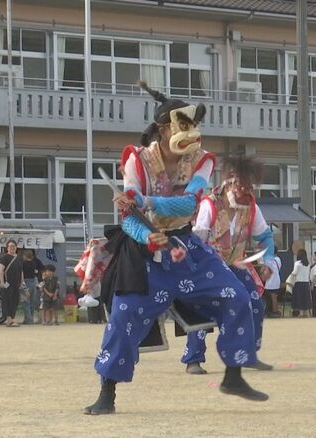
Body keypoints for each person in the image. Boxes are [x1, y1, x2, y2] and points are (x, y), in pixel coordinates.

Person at [83, 81, 267, 415]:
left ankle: (234, 375)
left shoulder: (202, 160)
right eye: (184, 125)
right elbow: (128, 218)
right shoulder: (136, 160)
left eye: (193, 125)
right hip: (143, 253)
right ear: (164, 128)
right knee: (124, 316)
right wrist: (147, 236)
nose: (191, 132)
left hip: (186, 245)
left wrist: (145, 201)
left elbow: (188, 204)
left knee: (236, 296)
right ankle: (106, 392)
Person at [182, 155, 276, 375]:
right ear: (230, 182)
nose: (246, 193)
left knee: (254, 303)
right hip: (208, 265)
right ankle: (193, 358)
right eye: (243, 188)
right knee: (201, 307)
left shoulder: (251, 206)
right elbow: (197, 241)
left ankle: (247, 354)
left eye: (250, 188)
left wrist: (268, 261)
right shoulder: (209, 205)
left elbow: (265, 237)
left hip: (236, 264)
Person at [0, 240, 23, 328]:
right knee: (7, 301)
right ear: (7, 247)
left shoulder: (18, 258)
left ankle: (12, 318)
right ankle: (9, 319)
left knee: (15, 301)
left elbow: (21, 271)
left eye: (14, 246)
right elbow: (0, 271)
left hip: (16, 284)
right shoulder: (5, 258)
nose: (12, 248)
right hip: (7, 283)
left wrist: (22, 282)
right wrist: (2, 282)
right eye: (10, 246)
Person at [20, 249, 43, 324]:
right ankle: (30, 317)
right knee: (32, 302)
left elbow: (21, 275)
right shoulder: (34, 263)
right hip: (33, 281)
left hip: (26, 282)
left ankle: (28, 319)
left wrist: (22, 285)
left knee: (25, 302)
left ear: (24, 256)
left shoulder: (22, 264)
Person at [288, 249, 311, 317]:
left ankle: (301, 313)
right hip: (306, 283)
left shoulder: (297, 263)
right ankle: (306, 313)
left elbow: (294, 272)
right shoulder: (308, 263)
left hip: (299, 283)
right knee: (306, 298)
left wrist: (290, 278)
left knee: (300, 298)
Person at [263, 246, 282, 317]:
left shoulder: (269, 260)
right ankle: (274, 311)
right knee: (274, 297)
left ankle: (272, 311)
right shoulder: (278, 259)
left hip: (270, 280)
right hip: (276, 280)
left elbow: (265, 269)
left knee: (271, 297)